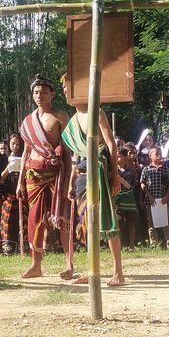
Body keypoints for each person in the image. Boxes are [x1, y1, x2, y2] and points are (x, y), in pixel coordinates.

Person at [61, 77, 124, 286]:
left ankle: (118, 272)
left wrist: (115, 174)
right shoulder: (72, 122)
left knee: (107, 219)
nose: (65, 92)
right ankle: (91, 269)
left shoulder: (97, 112)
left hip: (99, 171)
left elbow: (111, 144)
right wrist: (71, 182)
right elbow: (75, 157)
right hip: (80, 175)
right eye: (63, 89)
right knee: (87, 224)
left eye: (68, 88)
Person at [17, 75, 71, 278]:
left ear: (52, 94)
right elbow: (25, 152)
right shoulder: (28, 121)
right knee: (35, 219)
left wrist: (68, 180)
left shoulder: (61, 116)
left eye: (43, 92)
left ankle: (69, 264)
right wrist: (21, 180)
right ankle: (36, 265)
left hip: (57, 174)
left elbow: (67, 151)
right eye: (36, 92)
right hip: (34, 176)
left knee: (62, 219)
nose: (39, 96)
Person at [0, 133, 27, 255]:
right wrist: (9, 168)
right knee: (8, 221)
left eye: (17, 144)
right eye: (13, 144)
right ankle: (8, 248)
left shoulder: (24, 156)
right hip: (8, 194)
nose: (15, 146)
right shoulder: (3, 158)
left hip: (22, 193)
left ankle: (23, 247)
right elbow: (0, 177)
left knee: (22, 220)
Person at [140, 147, 169, 248]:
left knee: (166, 221)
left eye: (160, 153)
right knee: (151, 223)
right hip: (151, 200)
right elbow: (142, 183)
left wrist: (167, 196)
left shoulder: (164, 168)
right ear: (150, 156)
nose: (159, 155)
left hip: (162, 200)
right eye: (156, 154)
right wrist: (149, 196)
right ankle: (154, 244)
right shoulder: (146, 169)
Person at [115, 147, 139, 250]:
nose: (117, 158)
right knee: (118, 222)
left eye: (119, 156)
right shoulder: (112, 169)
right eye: (115, 156)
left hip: (129, 197)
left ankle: (132, 245)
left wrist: (120, 178)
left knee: (131, 222)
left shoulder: (131, 170)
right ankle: (119, 245)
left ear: (125, 157)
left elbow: (131, 184)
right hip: (116, 198)